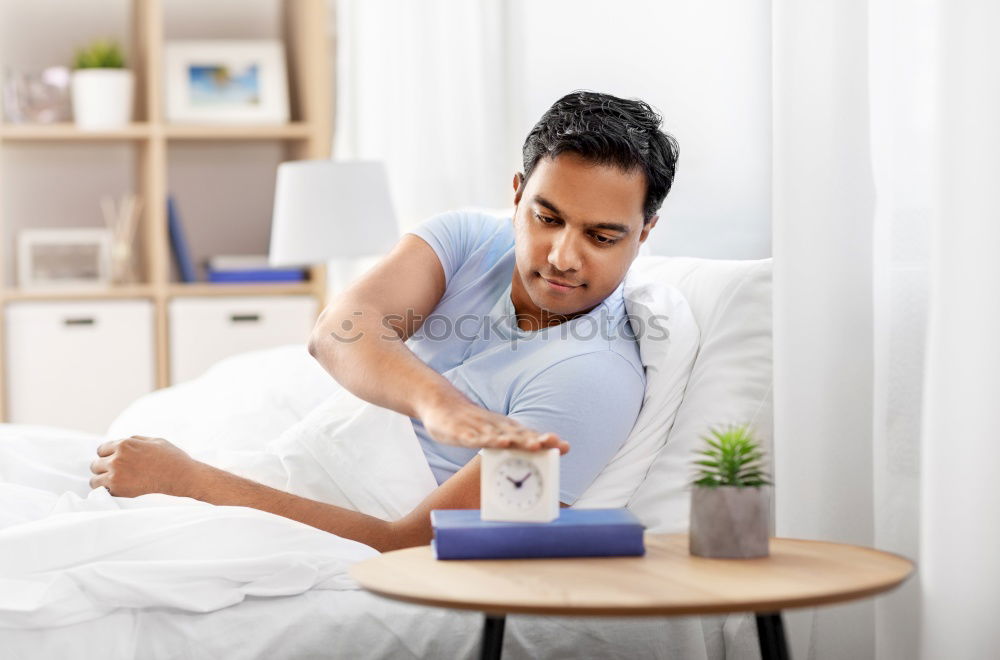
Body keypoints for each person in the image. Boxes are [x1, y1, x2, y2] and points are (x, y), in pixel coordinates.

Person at [88, 90, 680, 552]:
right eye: (546, 218)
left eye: (602, 236)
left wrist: (193, 484)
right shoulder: (471, 239)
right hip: (287, 480)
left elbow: (410, 547)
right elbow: (339, 330)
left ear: (644, 233)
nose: (562, 257)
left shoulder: (592, 378)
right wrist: (440, 405)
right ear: (518, 192)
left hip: (335, 528)